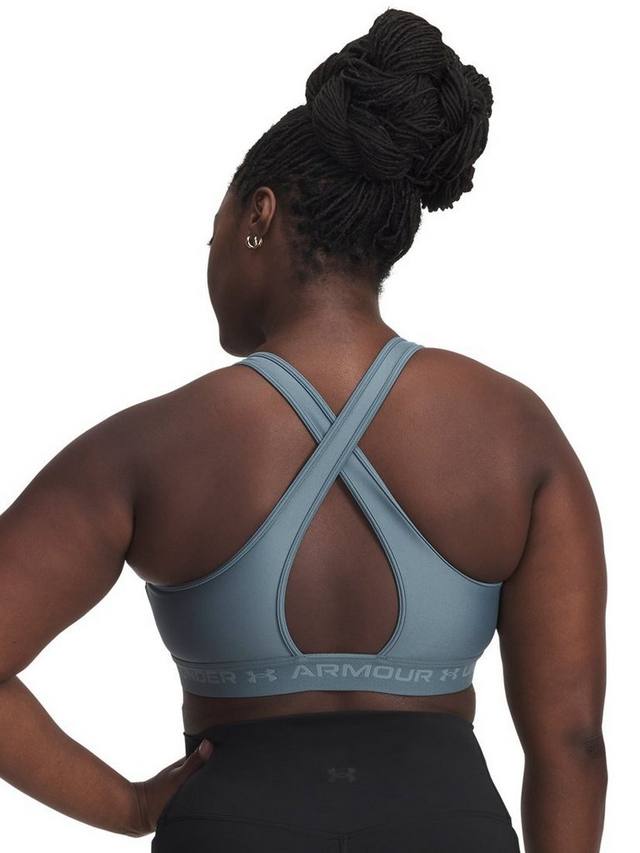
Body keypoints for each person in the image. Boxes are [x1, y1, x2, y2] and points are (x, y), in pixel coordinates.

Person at [0, 8, 607, 852]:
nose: (210, 254)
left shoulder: (147, 447)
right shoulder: (516, 433)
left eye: (213, 231)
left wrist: (130, 805)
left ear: (259, 214)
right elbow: (572, 744)